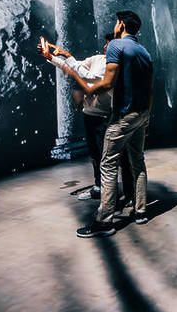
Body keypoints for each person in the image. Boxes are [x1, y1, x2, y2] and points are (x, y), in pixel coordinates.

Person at [61, 11, 153, 237]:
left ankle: (105, 221)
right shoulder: (144, 51)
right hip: (141, 115)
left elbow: (108, 82)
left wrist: (86, 87)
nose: (113, 26)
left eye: (115, 22)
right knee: (137, 162)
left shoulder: (116, 46)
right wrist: (146, 116)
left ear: (121, 24)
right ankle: (140, 211)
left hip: (123, 116)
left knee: (108, 165)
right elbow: (149, 88)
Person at [40, 33, 121, 201]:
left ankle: (109, 194)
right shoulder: (98, 58)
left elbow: (89, 77)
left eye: (110, 45)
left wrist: (68, 57)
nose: (106, 47)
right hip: (89, 114)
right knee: (94, 155)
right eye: (106, 44)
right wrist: (51, 57)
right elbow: (74, 67)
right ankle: (99, 188)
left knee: (105, 158)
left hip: (105, 117)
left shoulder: (114, 66)